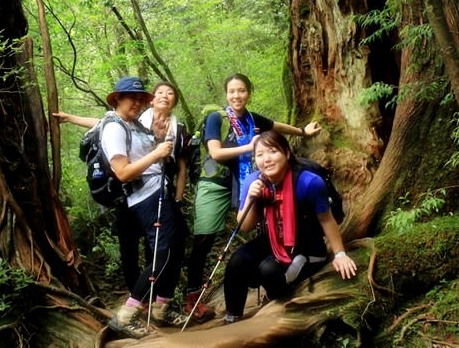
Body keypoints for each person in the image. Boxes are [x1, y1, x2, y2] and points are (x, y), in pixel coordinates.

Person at [184, 73, 322, 322]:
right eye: (232, 91)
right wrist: (252, 148)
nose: (236, 96)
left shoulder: (251, 119)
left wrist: (302, 131)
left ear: (249, 93)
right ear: (226, 94)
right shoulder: (218, 118)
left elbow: (275, 126)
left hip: (241, 181)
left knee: (252, 223)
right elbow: (215, 153)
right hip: (215, 181)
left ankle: (260, 267)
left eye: (242, 91)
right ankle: (192, 294)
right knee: (204, 236)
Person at [58, 77, 188, 338]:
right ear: (118, 99)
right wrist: (157, 153)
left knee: (178, 242)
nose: (138, 103)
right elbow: (122, 172)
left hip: (157, 193)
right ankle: (127, 315)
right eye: (133, 98)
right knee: (162, 253)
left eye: (142, 99)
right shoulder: (114, 128)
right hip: (144, 197)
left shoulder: (132, 123)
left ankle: (162, 307)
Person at [222, 130, 357, 323]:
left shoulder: (308, 182)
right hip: (274, 239)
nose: (266, 159)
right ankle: (232, 318)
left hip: (307, 245)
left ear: (286, 153)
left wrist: (340, 254)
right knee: (237, 262)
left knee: (268, 270)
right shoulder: (253, 182)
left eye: (272, 152)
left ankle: (277, 300)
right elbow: (245, 227)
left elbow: (327, 219)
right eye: (259, 155)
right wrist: (252, 198)